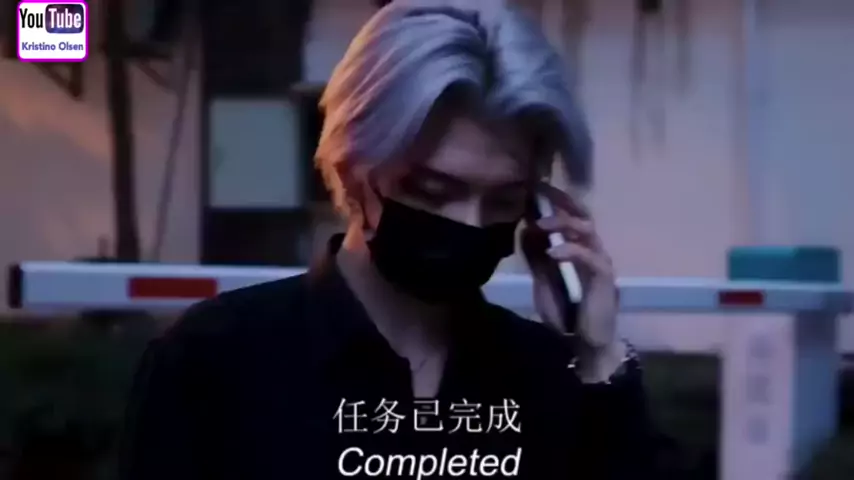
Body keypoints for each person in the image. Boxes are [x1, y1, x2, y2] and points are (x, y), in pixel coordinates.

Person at [118, 1, 657, 479]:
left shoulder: (547, 376)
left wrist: (599, 354)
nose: (470, 223)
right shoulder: (215, 360)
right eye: (433, 191)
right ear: (353, 169)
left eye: (503, 201)